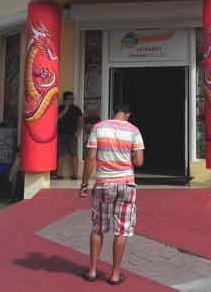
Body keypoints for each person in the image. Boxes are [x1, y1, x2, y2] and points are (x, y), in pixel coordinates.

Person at [80, 103, 144, 285]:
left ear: (113, 112)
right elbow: (139, 161)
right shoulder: (134, 131)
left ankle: (92, 271)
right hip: (126, 184)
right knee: (121, 230)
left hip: (103, 185)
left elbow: (91, 158)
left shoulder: (98, 128)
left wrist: (85, 183)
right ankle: (115, 275)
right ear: (128, 114)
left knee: (98, 227)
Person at [53, 91, 83, 180]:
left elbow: (80, 120)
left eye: (72, 99)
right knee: (61, 154)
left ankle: (75, 175)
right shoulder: (59, 108)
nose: (72, 101)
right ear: (65, 99)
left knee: (74, 154)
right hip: (61, 134)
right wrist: (65, 109)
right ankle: (59, 174)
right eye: (70, 99)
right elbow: (56, 119)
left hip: (72, 135)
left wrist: (78, 131)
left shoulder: (76, 109)